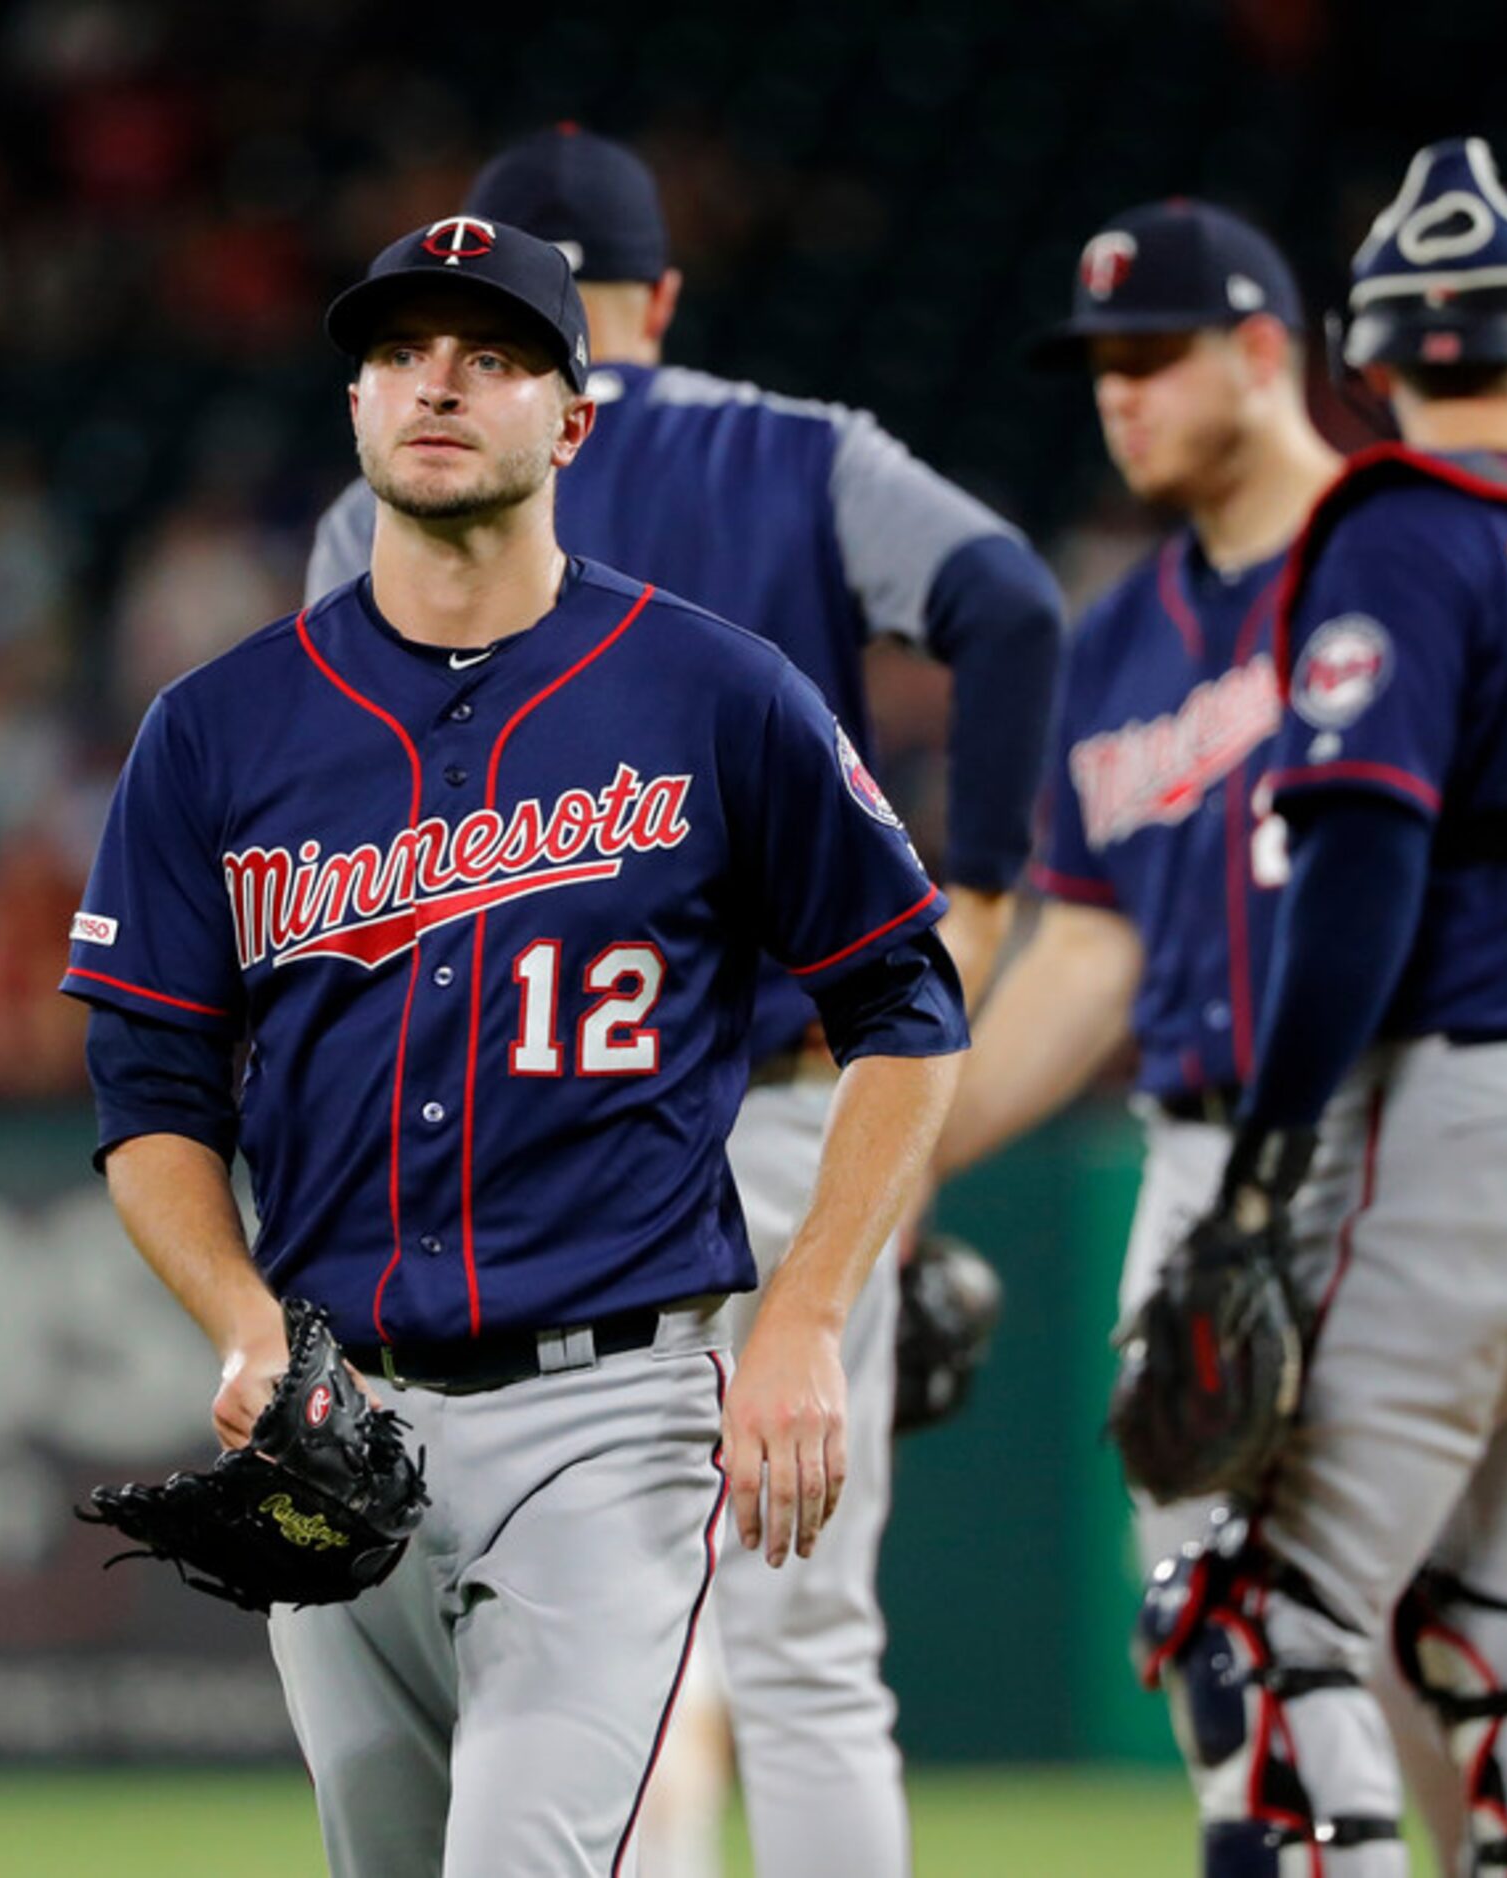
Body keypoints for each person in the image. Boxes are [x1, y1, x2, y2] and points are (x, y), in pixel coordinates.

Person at [64, 214, 967, 1877]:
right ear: (351, 405)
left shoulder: (717, 691)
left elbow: (907, 1004)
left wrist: (813, 1307)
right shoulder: (215, 728)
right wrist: (242, 1322)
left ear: (573, 419)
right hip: (338, 1415)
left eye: (490, 355)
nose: (438, 383)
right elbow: (149, 1087)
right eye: (403, 351)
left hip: (610, 1411)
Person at [308, 127, 1060, 1878]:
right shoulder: (797, 452)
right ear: (658, 292)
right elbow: (1007, 601)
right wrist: (991, 892)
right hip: (790, 1094)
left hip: (531, 1132)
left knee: (567, 1624)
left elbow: (320, 795)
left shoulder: (395, 478)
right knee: (808, 1647)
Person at [1133, 138, 1507, 1875]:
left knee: (1254, 1618)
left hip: (1462, 1114)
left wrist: (1263, 1168)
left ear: (1373, 355)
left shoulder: (1402, 532)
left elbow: (1356, 879)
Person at [935, 195, 1476, 1874]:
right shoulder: (1118, 643)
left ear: (1264, 352)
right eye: (1099, 367)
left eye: (1152, 359)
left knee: (1430, 1634)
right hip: (1194, 1153)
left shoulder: (1423, 551)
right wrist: (889, 1160)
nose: (1119, 396)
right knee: (1222, 1633)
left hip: (1411, 1128)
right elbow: (1085, 953)